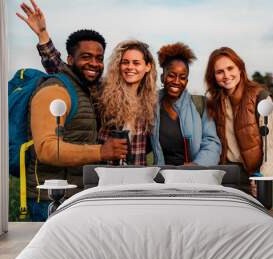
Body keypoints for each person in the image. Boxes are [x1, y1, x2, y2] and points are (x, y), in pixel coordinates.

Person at [17, 1, 128, 221]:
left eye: (99, 58)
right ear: (70, 60)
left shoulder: (88, 89)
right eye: (86, 57)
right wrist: (102, 152)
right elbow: (47, 149)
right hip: (50, 201)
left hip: (76, 196)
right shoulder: (56, 90)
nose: (94, 63)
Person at [204, 47, 273, 195]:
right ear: (213, 76)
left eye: (230, 68)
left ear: (240, 68)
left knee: (261, 216)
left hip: (255, 176)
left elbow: (272, 148)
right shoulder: (215, 103)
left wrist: (262, 179)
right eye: (219, 72)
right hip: (226, 177)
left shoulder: (261, 98)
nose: (226, 75)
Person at [151, 43, 221, 165]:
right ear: (162, 77)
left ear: (187, 81)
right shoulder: (151, 105)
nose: (176, 81)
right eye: (171, 76)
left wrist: (196, 166)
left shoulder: (200, 105)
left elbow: (212, 143)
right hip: (162, 179)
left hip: (193, 177)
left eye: (182, 77)